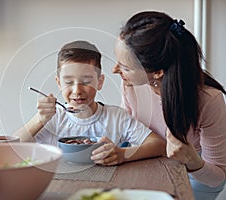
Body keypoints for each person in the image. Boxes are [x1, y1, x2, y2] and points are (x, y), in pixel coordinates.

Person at [112, 11, 226, 200]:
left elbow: (218, 178)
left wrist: (192, 160)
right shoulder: (132, 85)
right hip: (149, 162)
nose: (115, 70)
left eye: (125, 67)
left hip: (196, 175)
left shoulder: (208, 99)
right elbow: (125, 131)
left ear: (157, 72)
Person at [14, 40, 165, 165]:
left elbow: (158, 144)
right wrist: (39, 120)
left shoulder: (116, 117)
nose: (77, 90)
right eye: (68, 82)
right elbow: (11, 148)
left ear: (100, 82)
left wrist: (123, 154)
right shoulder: (53, 118)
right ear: (59, 83)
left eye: (86, 81)